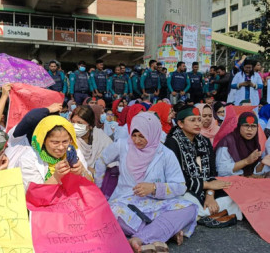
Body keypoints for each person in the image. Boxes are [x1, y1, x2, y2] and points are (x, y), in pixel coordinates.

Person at [95, 112, 198, 252]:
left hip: (156, 203)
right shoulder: (123, 145)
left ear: (152, 133)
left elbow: (180, 186)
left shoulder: (165, 154)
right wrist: (98, 189)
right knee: (109, 213)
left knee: (189, 209)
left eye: (142, 136)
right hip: (125, 201)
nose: (137, 141)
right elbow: (102, 161)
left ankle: (138, 239)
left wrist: (154, 188)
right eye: (134, 135)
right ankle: (162, 234)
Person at [165, 106, 242, 225]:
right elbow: (176, 178)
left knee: (234, 198)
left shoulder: (205, 141)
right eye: (192, 120)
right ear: (180, 123)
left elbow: (212, 173)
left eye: (199, 120)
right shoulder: (172, 142)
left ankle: (205, 214)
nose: (197, 124)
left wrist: (210, 194)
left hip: (206, 188)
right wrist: (207, 185)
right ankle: (211, 214)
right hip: (185, 189)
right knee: (186, 202)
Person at [215, 112, 270, 177]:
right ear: (239, 126)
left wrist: (261, 164)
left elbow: (254, 173)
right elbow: (221, 170)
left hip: (247, 182)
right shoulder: (228, 142)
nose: (250, 129)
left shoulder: (255, 143)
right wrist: (246, 161)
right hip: (228, 183)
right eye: (246, 125)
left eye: (253, 126)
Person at [70, 105, 112, 173]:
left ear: (90, 126)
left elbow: (112, 157)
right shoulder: (68, 139)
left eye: (79, 123)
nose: (75, 126)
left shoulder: (99, 136)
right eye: (73, 122)